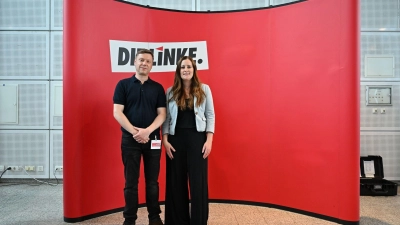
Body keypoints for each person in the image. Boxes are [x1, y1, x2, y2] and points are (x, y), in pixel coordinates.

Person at [113, 49, 166, 225]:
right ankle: (129, 219)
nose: (144, 63)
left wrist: (147, 132)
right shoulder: (123, 85)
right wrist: (136, 133)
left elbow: (162, 115)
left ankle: (154, 217)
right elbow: (117, 112)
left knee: (152, 182)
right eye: (141, 60)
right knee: (131, 182)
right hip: (130, 141)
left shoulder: (158, 88)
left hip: (153, 140)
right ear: (135, 62)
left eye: (148, 61)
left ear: (152, 65)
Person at [162, 56, 215, 225]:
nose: (186, 70)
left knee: (198, 181)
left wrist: (209, 140)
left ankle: (198, 221)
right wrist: (165, 140)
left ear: (194, 70)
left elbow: (210, 115)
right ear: (178, 71)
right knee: (176, 182)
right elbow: (166, 118)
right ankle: (178, 220)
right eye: (183, 67)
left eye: (189, 67)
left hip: (197, 140)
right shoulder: (170, 91)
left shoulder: (204, 89)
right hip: (175, 140)